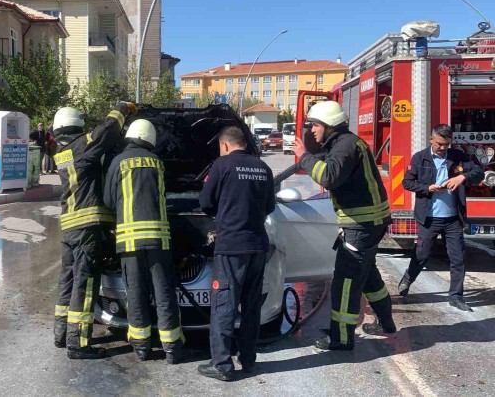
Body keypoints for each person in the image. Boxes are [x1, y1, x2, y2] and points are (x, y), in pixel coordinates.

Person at [293, 101, 395, 351]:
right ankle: (386, 322)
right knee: (367, 275)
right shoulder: (346, 143)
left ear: (329, 125)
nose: (312, 130)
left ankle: (341, 338)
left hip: (361, 225)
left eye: (315, 125)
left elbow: (329, 176)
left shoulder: (345, 146)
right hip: (369, 223)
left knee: (345, 280)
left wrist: (304, 157)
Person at [52, 103, 136, 359]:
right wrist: (123, 109)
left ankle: (61, 334)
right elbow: (106, 131)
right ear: (77, 126)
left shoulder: (62, 153)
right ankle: (78, 343)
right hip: (86, 228)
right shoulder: (82, 146)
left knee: (67, 281)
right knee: (85, 283)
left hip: (70, 227)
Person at [103, 119, 184, 364]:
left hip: (130, 242)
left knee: (136, 292)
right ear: (150, 139)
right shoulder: (157, 162)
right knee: (164, 291)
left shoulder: (118, 162)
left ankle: (141, 347)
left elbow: (108, 201)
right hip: (159, 240)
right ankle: (172, 347)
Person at [197, 126, 274, 381]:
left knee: (224, 303)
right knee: (251, 306)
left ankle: (221, 364)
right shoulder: (263, 168)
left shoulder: (222, 165)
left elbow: (206, 203)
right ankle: (248, 359)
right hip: (257, 246)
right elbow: (270, 206)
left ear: (225, 145)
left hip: (231, 247)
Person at [399, 124, 483, 311]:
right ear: (431, 139)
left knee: (458, 258)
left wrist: (462, 177)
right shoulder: (420, 157)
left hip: (453, 219)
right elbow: (407, 182)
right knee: (422, 255)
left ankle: (456, 297)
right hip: (429, 218)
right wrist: (427, 188)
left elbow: (478, 172)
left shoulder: (458, 157)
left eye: (446, 144)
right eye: (439, 144)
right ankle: (408, 278)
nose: (443, 148)